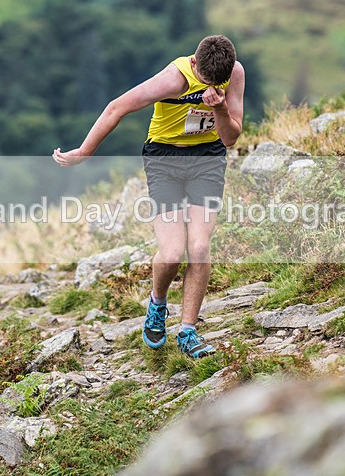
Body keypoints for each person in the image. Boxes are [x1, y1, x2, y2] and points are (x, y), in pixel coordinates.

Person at [53, 35, 245, 358]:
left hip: (207, 159)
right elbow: (117, 107)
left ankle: (188, 331)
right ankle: (157, 303)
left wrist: (220, 108)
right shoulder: (174, 79)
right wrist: (85, 151)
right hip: (164, 160)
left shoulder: (234, 74)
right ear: (194, 63)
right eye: (205, 82)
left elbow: (230, 138)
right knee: (172, 253)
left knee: (199, 247)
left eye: (218, 83)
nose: (211, 87)